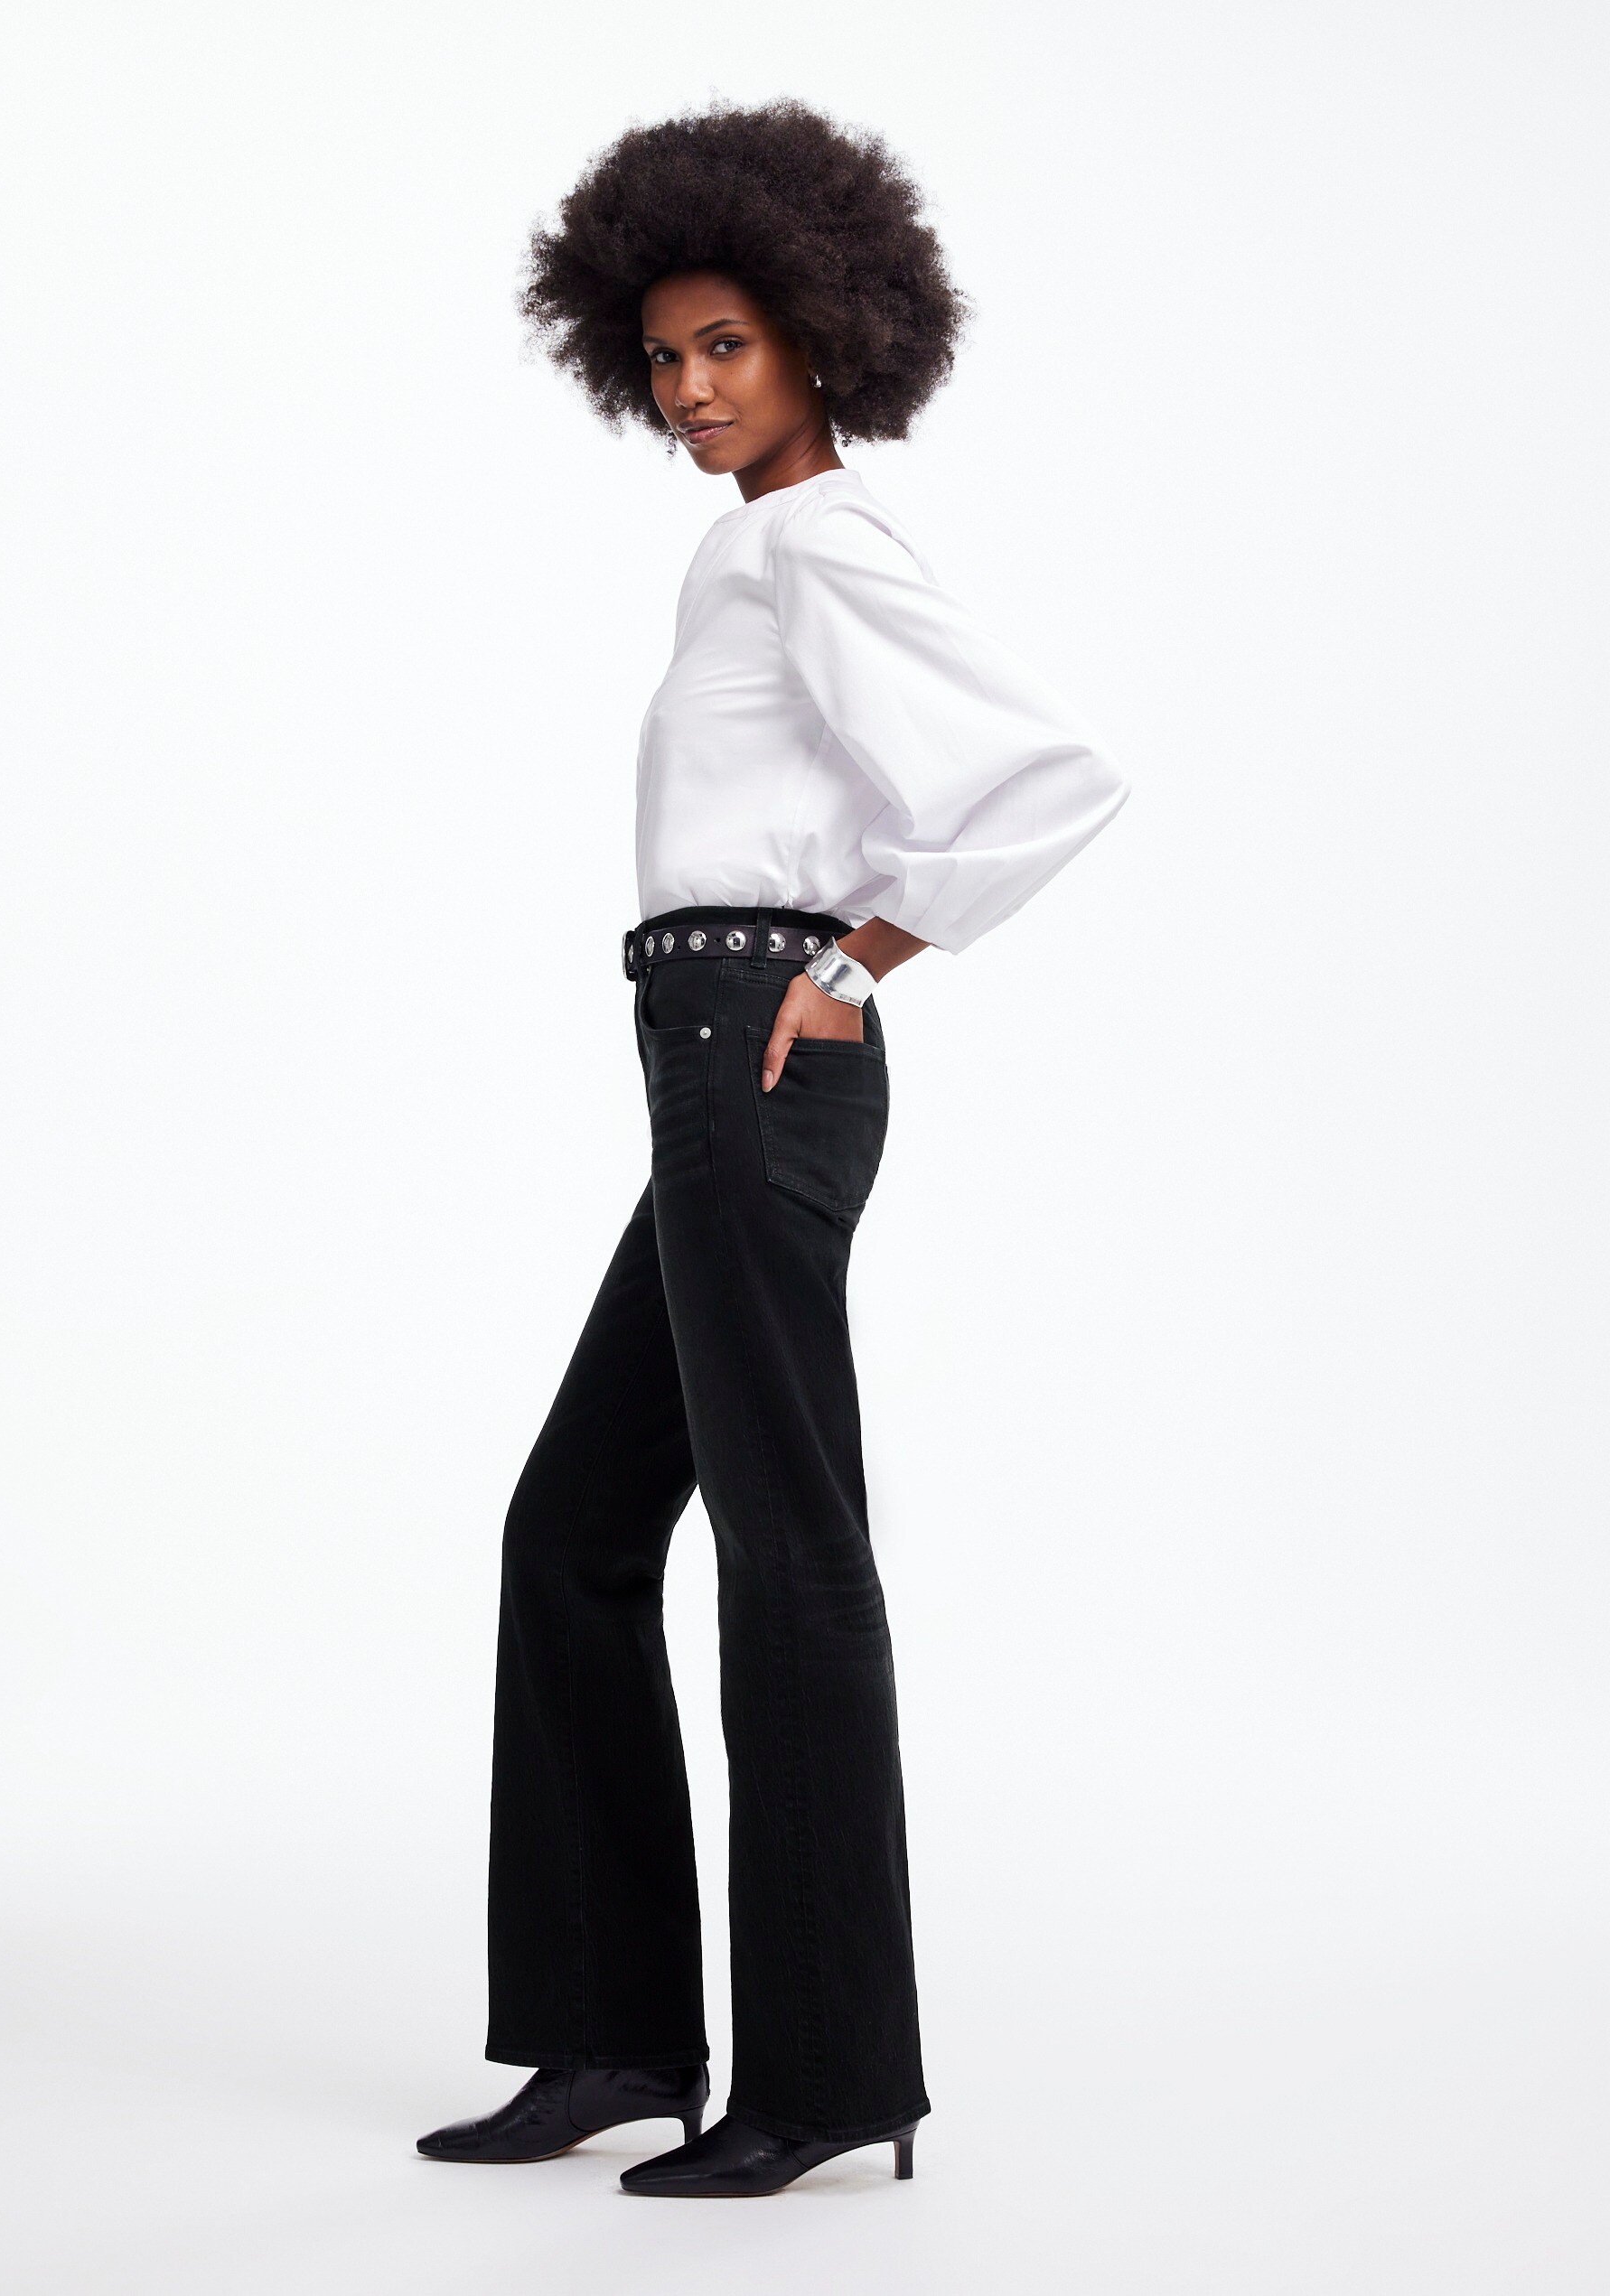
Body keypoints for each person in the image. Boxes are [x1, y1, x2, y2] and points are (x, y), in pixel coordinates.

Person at [417, 98, 1130, 2198]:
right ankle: (612, 2034)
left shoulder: (817, 538)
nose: (689, 388)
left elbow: (1049, 774)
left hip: (755, 1044)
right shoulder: (743, 548)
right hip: (708, 1050)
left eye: (724, 343)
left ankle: (824, 2075)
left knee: (783, 1541)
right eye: (661, 356)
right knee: (573, 1528)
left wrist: (863, 954)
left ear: (824, 331)